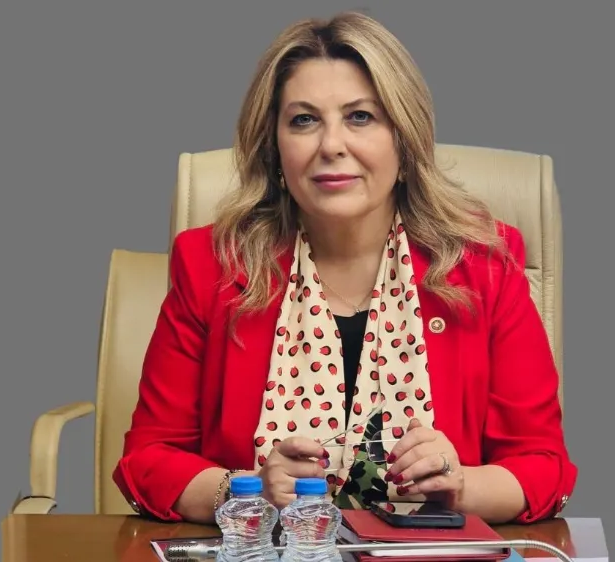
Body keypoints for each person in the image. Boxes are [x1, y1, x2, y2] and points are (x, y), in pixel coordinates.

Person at [113, 11, 577, 526]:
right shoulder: (213, 266)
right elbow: (147, 461)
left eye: (360, 117)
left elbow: (544, 468)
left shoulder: (483, 266)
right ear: (274, 150)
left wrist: (463, 484)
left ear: (404, 140)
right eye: (304, 120)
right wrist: (247, 489)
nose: (331, 145)